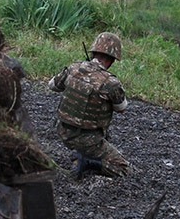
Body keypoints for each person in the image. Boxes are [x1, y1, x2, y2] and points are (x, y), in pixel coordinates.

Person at [48, 32, 131, 179]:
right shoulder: (110, 83)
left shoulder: (73, 68)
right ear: (112, 59)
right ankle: (88, 162)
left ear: (93, 52)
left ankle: (83, 153)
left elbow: (52, 86)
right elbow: (122, 108)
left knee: (104, 135)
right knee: (123, 168)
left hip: (62, 131)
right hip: (86, 139)